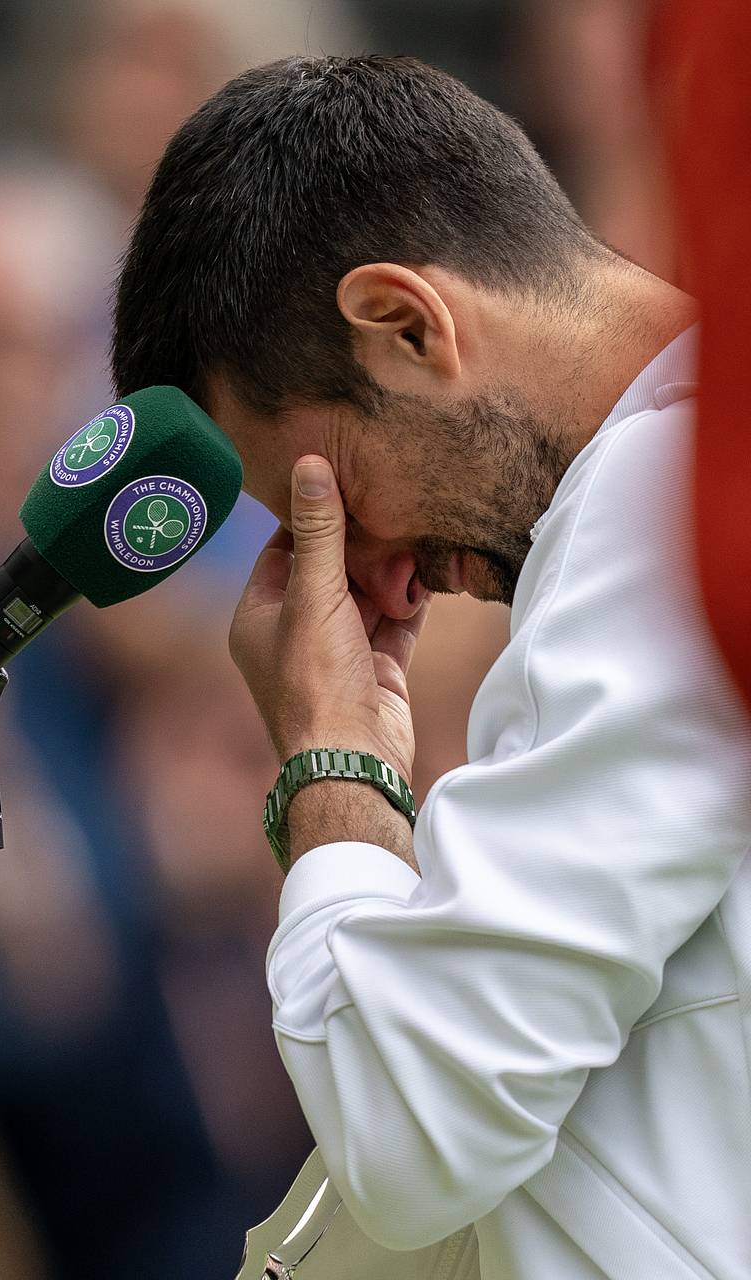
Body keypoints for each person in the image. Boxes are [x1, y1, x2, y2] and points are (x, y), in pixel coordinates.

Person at [111, 55, 751, 1278]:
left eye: (332, 504)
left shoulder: (661, 501)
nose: (379, 585)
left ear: (405, 324)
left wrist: (331, 767)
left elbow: (414, 1138)